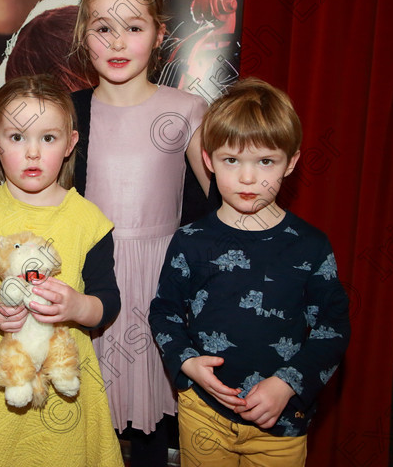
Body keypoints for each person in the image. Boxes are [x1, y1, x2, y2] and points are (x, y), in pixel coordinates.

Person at [149, 78, 350, 466]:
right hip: (203, 411)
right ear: (208, 160)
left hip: (281, 420)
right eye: (231, 160)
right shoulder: (190, 241)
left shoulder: (311, 245)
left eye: (265, 161)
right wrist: (187, 362)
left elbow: (333, 328)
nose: (246, 178)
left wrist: (287, 384)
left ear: (290, 162)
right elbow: (164, 312)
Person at [0, 74, 124, 467]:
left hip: (65, 377)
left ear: (70, 144)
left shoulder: (89, 221)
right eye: (17, 137)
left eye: (48, 138)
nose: (32, 153)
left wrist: (77, 307)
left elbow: (108, 301)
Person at [68, 0, 211, 466]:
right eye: (103, 27)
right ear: (84, 32)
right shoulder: (69, 113)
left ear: (160, 34)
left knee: (154, 414)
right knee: (83, 411)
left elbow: (221, 204)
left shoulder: (189, 109)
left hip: (160, 280)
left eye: (134, 26)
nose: (117, 40)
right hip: (89, 279)